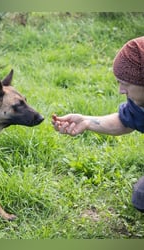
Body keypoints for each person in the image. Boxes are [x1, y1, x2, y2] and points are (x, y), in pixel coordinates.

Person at [52, 36, 144, 213]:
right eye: (119, 83)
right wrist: (86, 121)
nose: (121, 91)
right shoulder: (139, 102)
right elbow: (126, 120)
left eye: (126, 84)